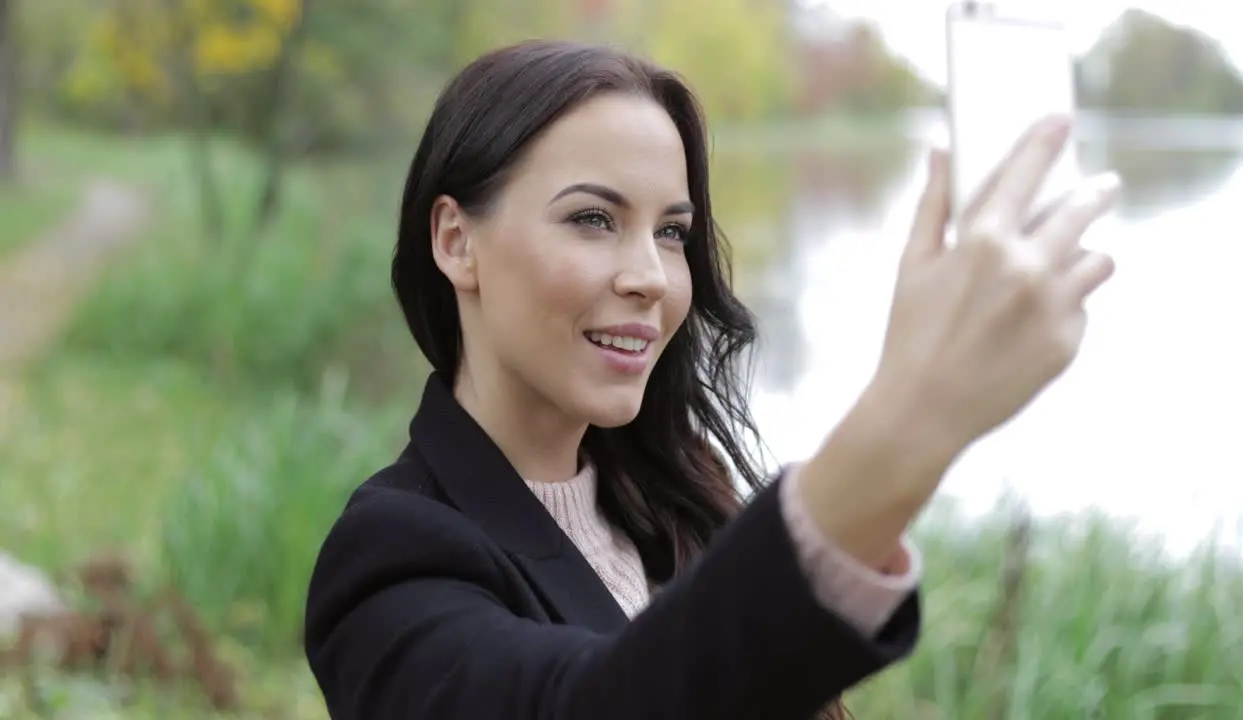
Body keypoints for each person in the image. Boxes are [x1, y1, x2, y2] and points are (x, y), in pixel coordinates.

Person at [304, 40, 1121, 720]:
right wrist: (914, 414)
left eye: (671, 232)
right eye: (593, 218)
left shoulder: (676, 496)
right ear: (455, 240)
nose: (651, 276)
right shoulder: (392, 560)